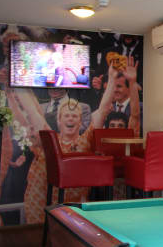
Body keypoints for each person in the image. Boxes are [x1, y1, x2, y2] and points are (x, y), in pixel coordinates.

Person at [7, 63, 123, 224]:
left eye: (74, 116)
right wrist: (18, 76)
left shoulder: (84, 142)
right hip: (37, 208)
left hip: (71, 213)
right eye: (66, 115)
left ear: (80, 121)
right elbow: (32, 111)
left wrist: (112, 78)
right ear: (59, 120)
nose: (70, 119)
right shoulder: (48, 141)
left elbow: (103, 110)